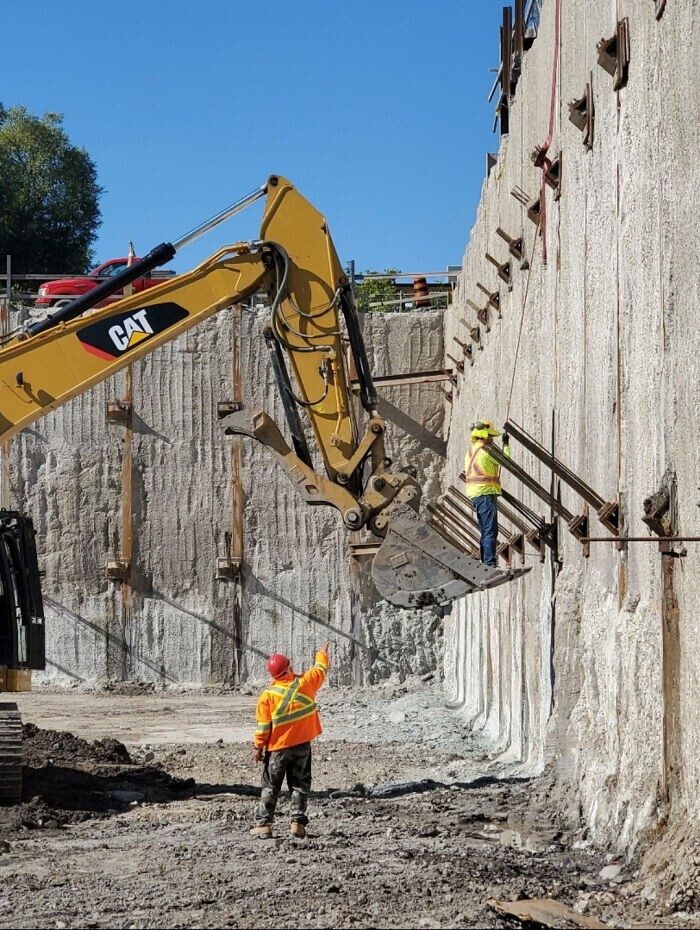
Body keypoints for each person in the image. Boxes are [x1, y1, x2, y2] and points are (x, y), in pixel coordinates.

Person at [250, 642, 330, 840]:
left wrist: (258, 748)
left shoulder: (267, 696)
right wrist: (321, 653)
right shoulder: (306, 683)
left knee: (271, 786)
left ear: (272, 675)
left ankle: (264, 825)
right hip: (302, 745)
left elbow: (263, 728)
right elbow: (320, 669)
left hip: (277, 750)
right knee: (300, 785)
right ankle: (297, 824)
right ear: (289, 666)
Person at [464, 420, 510, 568]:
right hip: (485, 493)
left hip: (476, 494)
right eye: (490, 435)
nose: (492, 438)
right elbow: (506, 461)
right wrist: (506, 445)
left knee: (485, 530)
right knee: (490, 530)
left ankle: (486, 562)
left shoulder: (470, 451)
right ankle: (489, 564)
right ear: (484, 435)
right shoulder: (486, 450)